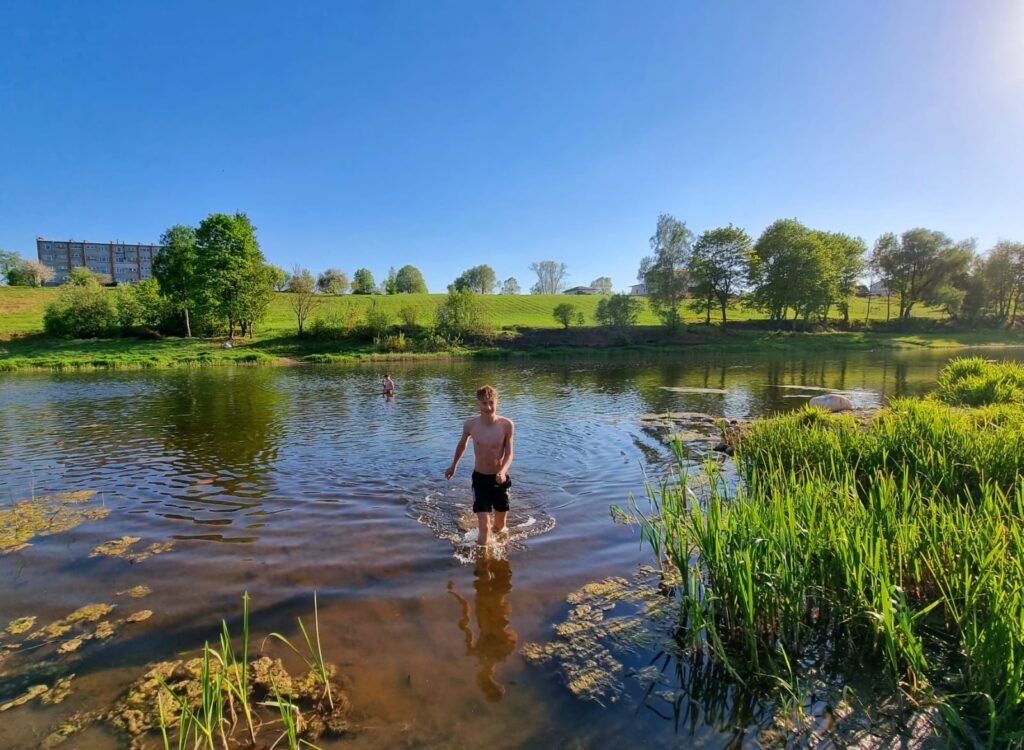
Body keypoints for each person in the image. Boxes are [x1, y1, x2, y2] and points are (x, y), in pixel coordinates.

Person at [445, 385, 515, 547]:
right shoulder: (470, 425)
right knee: (485, 527)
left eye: (491, 403)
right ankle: (483, 559)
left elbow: (510, 454)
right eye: (484, 403)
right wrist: (453, 466)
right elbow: (462, 445)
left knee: (500, 526)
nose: (488, 407)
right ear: (478, 404)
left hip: (500, 480)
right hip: (480, 480)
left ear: (497, 402)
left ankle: (499, 553)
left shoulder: (507, 425)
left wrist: (503, 472)